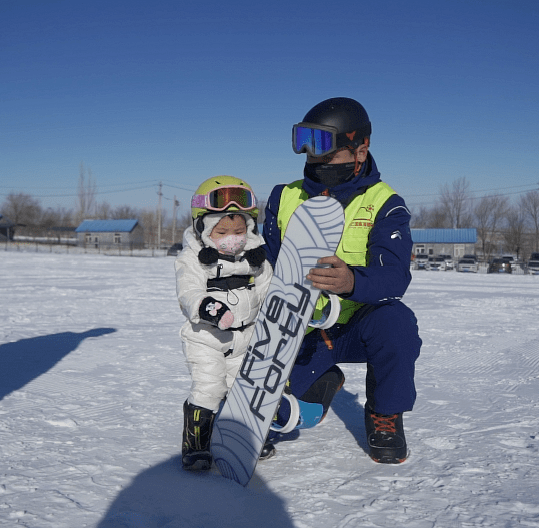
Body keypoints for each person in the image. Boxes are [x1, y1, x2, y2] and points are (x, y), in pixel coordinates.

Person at [262, 97, 422, 464]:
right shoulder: (283, 197)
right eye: (307, 149)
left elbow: (394, 276)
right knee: (278, 408)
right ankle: (322, 381)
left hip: (355, 326)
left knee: (396, 322)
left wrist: (352, 281)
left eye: (324, 152)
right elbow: (267, 264)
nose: (313, 160)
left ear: (360, 150)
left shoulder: (384, 203)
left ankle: (385, 413)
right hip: (299, 328)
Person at [175, 176, 273, 470]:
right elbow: (188, 292)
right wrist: (209, 307)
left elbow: (268, 289)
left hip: (246, 337)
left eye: (240, 230)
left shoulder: (256, 259)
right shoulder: (193, 258)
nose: (233, 237)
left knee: (242, 389)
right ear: (204, 229)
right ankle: (196, 445)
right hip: (206, 337)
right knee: (210, 388)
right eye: (223, 231)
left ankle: (244, 437)